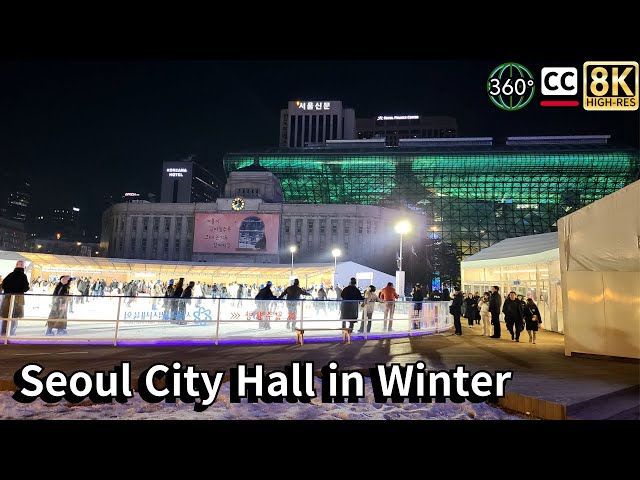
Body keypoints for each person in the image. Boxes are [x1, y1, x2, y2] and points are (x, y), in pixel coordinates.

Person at [1, 261, 30, 336]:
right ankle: (11, 333)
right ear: (23, 266)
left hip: (7, 298)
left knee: (6, 315)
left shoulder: (10, 275)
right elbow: (26, 288)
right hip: (18, 298)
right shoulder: (23, 276)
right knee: (14, 316)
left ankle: (4, 332)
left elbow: (3, 285)